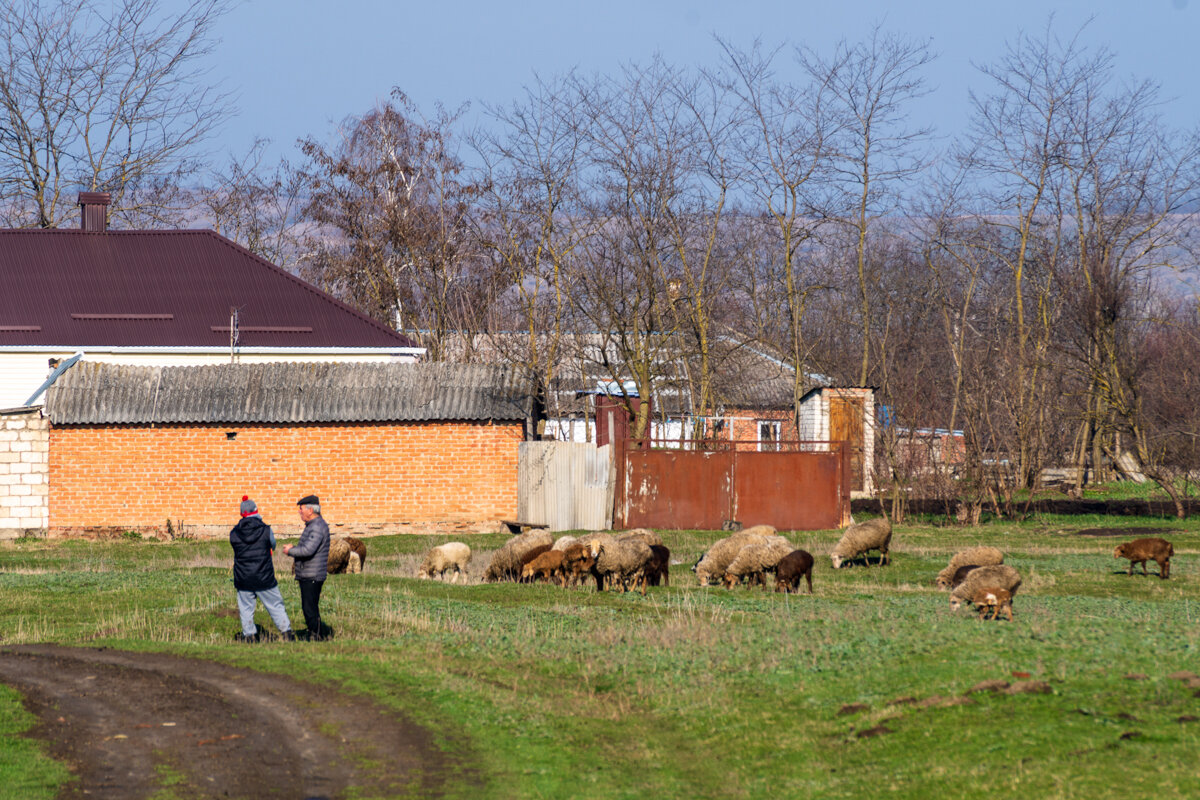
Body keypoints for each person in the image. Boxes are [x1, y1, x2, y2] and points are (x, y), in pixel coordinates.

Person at [230, 495, 294, 642]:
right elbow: (272, 544)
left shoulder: (234, 533)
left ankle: (250, 636)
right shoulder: (266, 530)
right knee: (275, 605)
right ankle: (287, 633)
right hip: (264, 576)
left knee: (246, 609)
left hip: (243, 577)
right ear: (256, 511)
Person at [283, 494, 332, 640]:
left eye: (301, 508)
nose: (299, 511)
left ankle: (316, 636)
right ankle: (315, 633)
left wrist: (290, 550)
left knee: (309, 608)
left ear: (310, 510)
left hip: (312, 575)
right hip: (310, 573)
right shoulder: (314, 525)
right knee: (309, 607)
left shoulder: (316, 527)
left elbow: (307, 550)